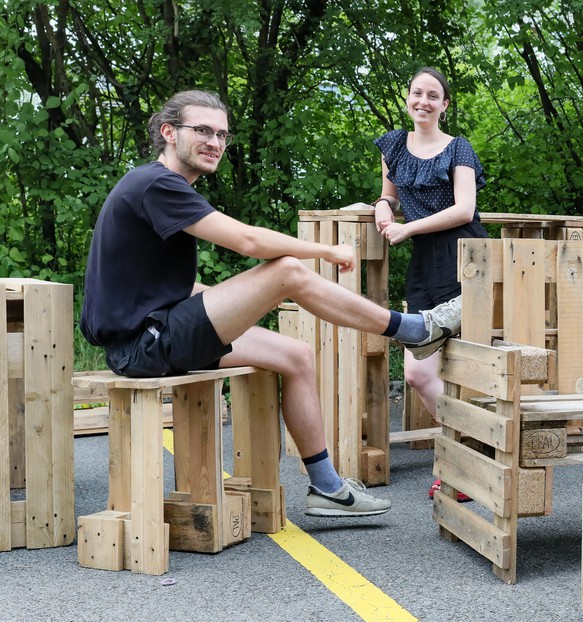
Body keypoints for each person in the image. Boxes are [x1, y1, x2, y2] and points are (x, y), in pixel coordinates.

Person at [80, 90, 462, 518]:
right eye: (202, 130)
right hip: (140, 346)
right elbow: (247, 241)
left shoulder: (162, 186)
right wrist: (324, 252)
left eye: (222, 134)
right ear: (168, 133)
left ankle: (327, 489)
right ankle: (413, 330)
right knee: (288, 271)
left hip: (155, 331)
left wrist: (242, 304)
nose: (215, 142)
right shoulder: (157, 183)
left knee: (295, 354)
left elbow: (174, 288)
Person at [371, 67, 488, 500]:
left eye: (432, 95)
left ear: (444, 104)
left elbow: (464, 209)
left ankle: (466, 466)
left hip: (464, 260)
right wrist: (384, 209)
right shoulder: (393, 147)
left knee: (469, 367)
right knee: (419, 372)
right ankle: (472, 448)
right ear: (408, 97)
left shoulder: (458, 148)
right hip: (422, 266)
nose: (423, 101)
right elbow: (389, 195)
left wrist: (407, 228)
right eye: (417, 93)